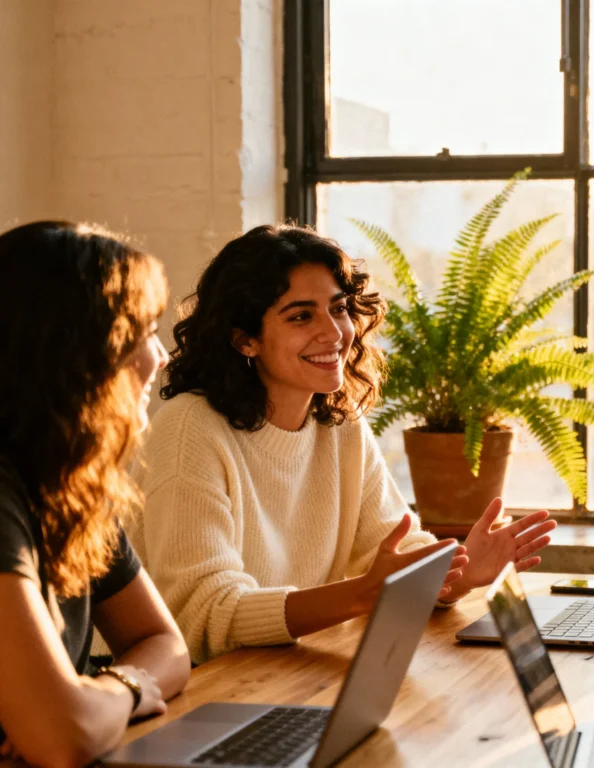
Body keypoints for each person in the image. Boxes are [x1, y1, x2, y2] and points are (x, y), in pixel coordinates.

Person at [133, 224, 556, 663]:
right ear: (245, 340)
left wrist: (463, 572)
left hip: (278, 668)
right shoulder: (189, 430)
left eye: (338, 309)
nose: (334, 333)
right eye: (301, 316)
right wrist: (362, 595)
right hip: (174, 693)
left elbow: (392, 549)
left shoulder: (339, 425)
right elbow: (202, 617)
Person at [0, 222, 190, 766]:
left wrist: (98, 696)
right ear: (77, 353)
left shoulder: (69, 485)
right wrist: (125, 694)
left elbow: (166, 645)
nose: (160, 357)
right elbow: (62, 736)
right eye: (144, 332)